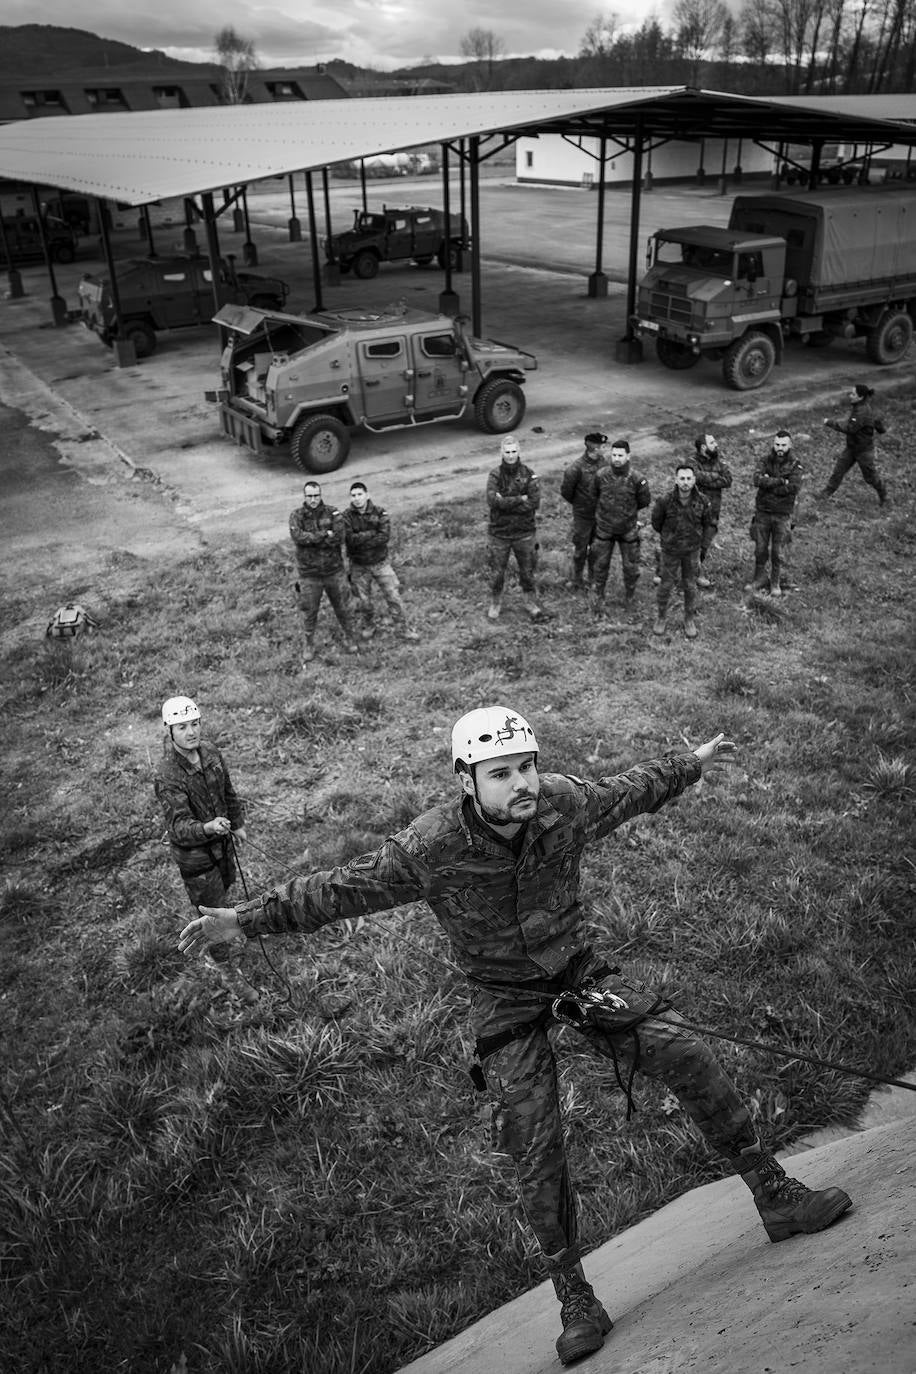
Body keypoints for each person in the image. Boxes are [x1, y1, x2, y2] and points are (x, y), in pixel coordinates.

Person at [179, 704, 852, 1367]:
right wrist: (241, 919)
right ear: (465, 778)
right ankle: (575, 1298)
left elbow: (629, 792)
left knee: (683, 1051)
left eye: (527, 766)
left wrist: (689, 764)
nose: (522, 783)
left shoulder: (562, 803)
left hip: (580, 973)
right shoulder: (430, 847)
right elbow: (336, 890)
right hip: (506, 1003)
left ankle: (774, 1194)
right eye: (500, 772)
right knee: (533, 1141)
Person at [155, 695, 258, 1006]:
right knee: (212, 913)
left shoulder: (210, 752)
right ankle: (226, 970)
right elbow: (179, 829)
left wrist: (236, 821)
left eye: (195, 724)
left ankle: (223, 945)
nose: (192, 732)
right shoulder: (167, 775)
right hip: (196, 859)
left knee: (224, 891)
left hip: (222, 846)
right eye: (183, 726)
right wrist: (208, 828)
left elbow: (228, 791)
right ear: (169, 730)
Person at [290, 480, 360, 663]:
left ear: (320, 495)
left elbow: (339, 537)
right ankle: (309, 643)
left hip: (333, 571)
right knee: (309, 611)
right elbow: (299, 537)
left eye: (316, 495)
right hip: (309, 574)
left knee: (343, 607)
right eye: (309, 496)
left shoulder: (333, 512)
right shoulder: (296, 516)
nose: (313, 499)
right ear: (304, 496)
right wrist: (323, 534)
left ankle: (350, 637)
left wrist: (313, 539)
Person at [342, 481, 419, 642]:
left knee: (393, 596)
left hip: (380, 563)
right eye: (353, 495)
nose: (357, 499)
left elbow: (384, 537)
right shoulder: (346, 516)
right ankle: (369, 625)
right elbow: (349, 539)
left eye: (360, 494)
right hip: (359, 566)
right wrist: (371, 534)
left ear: (367, 495)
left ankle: (403, 628)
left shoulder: (380, 513)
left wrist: (361, 539)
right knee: (364, 601)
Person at [651, 462, 713, 640]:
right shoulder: (664, 501)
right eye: (682, 479)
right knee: (665, 585)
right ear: (676, 480)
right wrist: (670, 538)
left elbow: (707, 523)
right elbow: (657, 523)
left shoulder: (703, 501)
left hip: (692, 551)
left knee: (690, 586)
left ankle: (689, 619)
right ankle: (661, 618)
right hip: (670, 550)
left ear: (694, 480)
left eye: (688, 479)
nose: (685, 482)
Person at [485, 435, 545, 622]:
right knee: (497, 572)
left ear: (519, 452)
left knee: (527, 571)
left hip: (524, 532)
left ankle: (530, 602)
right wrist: (520, 499)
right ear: (501, 453)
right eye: (507, 452)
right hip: (499, 533)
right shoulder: (495, 475)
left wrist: (505, 501)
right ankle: (495, 602)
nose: (510, 456)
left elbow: (534, 502)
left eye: (513, 452)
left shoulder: (529, 474)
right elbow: (493, 501)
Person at [590, 439, 651, 617]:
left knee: (631, 568)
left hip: (628, 530)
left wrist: (627, 513)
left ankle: (630, 597)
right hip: (604, 530)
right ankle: (599, 597)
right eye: (614, 455)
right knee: (600, 566)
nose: (616, 459)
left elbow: (644, 501)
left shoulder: (637, 479)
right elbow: (593, 496)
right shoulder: (601, 475)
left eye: (620, 455)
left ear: (628, 456)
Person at [745, 431, 802, 597]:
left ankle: (775, 582)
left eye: (784, 445)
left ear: (790, 445)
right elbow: (757, 480)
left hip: (782, 515)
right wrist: (779, 481)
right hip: (763, 512)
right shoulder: (765, 460)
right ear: (773, 444)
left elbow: (793, 488)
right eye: (777, 444)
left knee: (778, 552)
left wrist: (768, 484)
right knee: (760, 548)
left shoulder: (795, 465)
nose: (780, 448)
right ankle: (759, 578)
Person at [820, 383, 888, 506]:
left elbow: (850, 428)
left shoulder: (862, 411)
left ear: (860, 397)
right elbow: (874, 422)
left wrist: (829, 422)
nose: (850, 395)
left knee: (870, 477)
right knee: (838, 470)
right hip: (852, 448)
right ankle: (825, 494)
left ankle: (884, 496)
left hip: (863, 451)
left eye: (853, 394)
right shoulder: (860, 407)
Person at [559, 431, 608, 591]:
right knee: (580, 549)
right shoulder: (575, 468)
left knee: (596, 549)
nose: (603, 449)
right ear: (593, 448)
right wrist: (580, 504)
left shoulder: (604, 464)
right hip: (583, 516)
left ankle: (593, 579)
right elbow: (567, 491)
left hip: (599, 515)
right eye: (601, 446)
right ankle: (577, 580)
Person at [691, 433, 733, 588]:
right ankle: (694, 575)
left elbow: (728, 480)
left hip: (712, 513)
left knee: (704, 545)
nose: (716, 444)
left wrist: (706, 480)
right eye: (712, 442)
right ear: (703, 447)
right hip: (695, 511)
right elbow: (694, 476)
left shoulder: (719, 463)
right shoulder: (692, 462)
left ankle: (694, 572)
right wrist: (716, 478)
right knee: (692, 543)